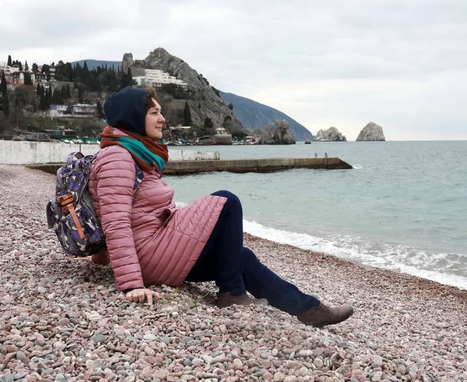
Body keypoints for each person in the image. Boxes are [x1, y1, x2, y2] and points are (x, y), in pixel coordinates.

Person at [86, 86, 354, 327]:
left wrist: (103, 258)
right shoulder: (117, 158)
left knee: (240, 256)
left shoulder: (134, 153)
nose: (162, 118)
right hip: (148, 256)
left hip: (155, 248)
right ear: (133, 116)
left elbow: (126, 213)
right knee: (227, 201)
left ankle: (308, 310)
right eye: (154, 112)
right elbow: (116, 222)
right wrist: (131, 284)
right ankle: (232, 294)